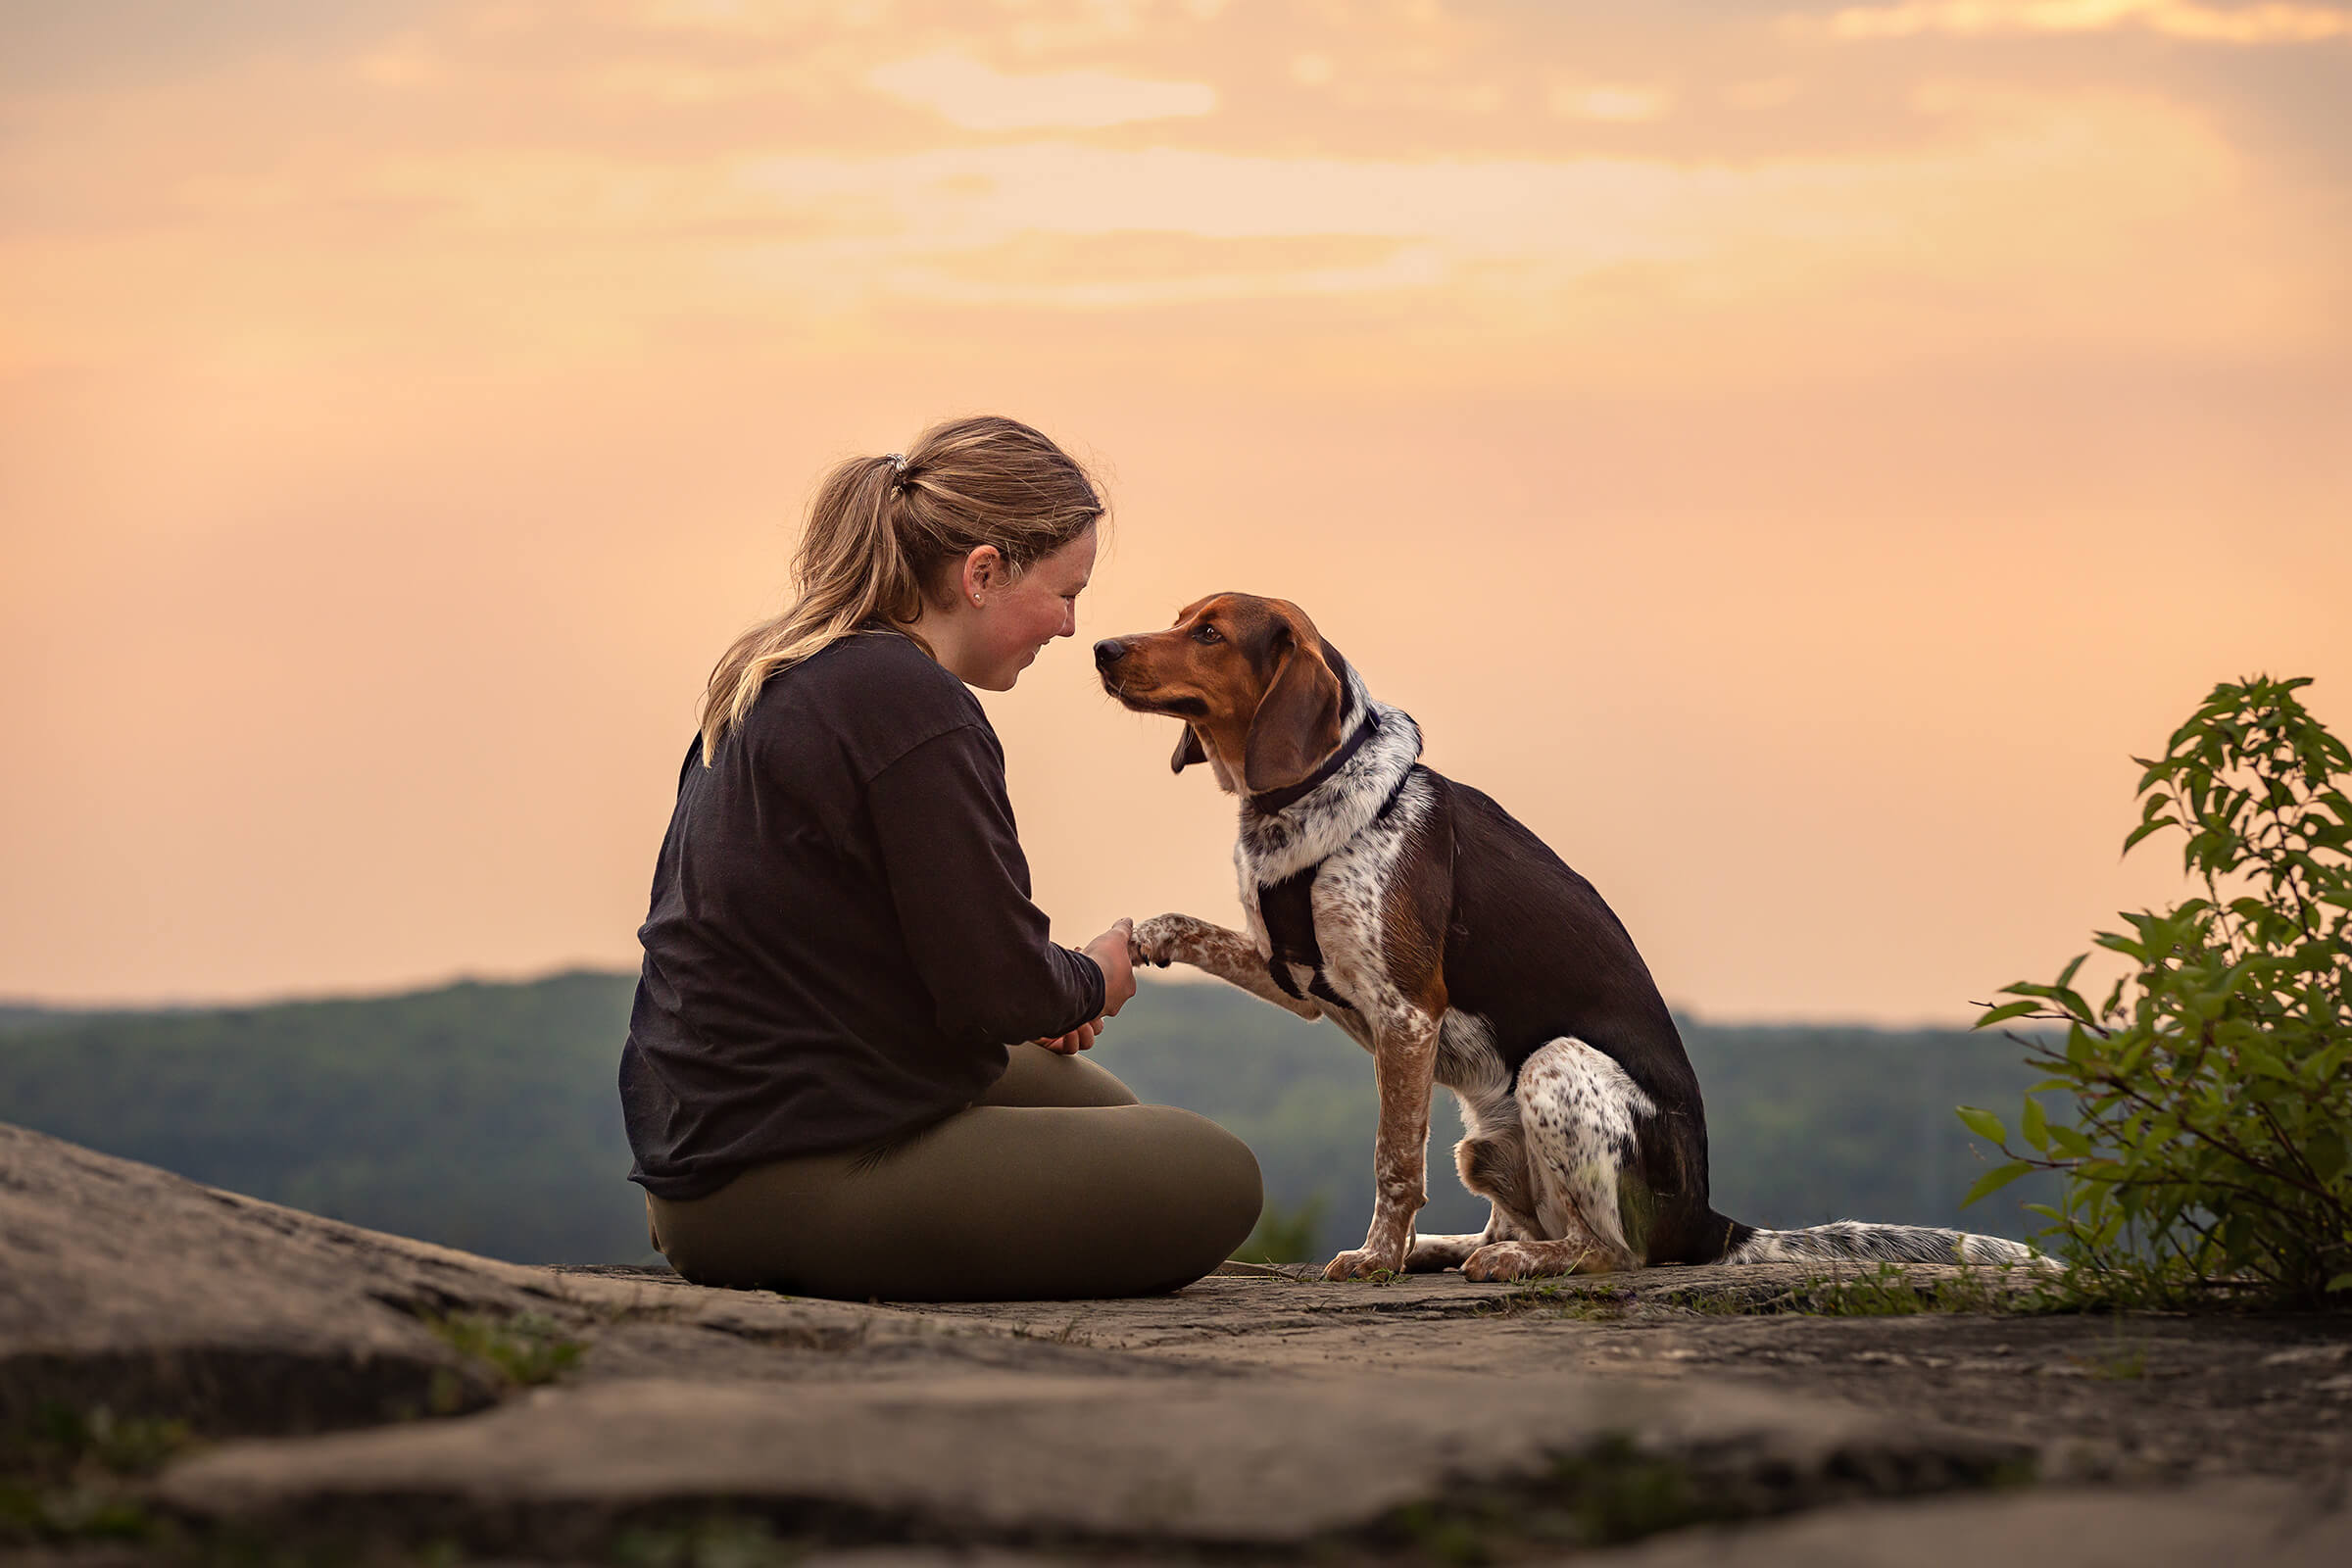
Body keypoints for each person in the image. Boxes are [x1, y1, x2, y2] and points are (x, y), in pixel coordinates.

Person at [619, 415, 1262, 1300]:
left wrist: (1038, 986)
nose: (1073, 628)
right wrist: (1091, 977)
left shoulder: (787, 670)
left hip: (720, 1149)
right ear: (984, 573)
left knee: (1118, 1118)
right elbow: (1000, 990)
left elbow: (929, 953)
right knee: (1219, 1176)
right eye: (1064, 592)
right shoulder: (911, 706)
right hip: (788, 1170)